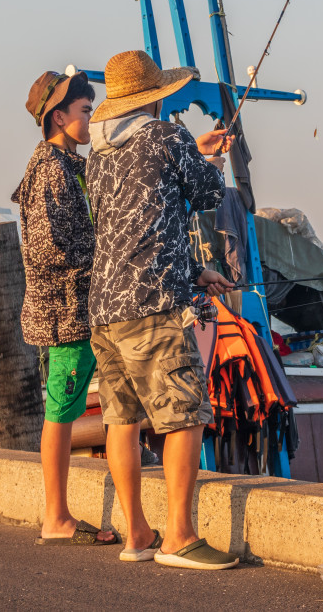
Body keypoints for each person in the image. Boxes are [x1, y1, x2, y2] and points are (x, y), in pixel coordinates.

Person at [86, 50, 238, 569]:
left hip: (105, 308)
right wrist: (210, 160)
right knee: (184, 413)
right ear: (155, 95)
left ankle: (136, 535)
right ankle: (179, 537)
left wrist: (195, 270)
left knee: (122, 419)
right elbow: (208, 191)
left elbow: (138, 222)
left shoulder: (98, 153)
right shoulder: (166, 137)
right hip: (151, 306)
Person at [12, 70, 117, 546]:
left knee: (65, 407)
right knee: (60, 409)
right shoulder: (51, 168)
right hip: (65, 314)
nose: (90, 119)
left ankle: (62, 513)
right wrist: (104, 253)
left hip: (78, 309)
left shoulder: (69, 162)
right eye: (85, 111)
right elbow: (48, 245)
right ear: (59, 116)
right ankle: (55, 515)